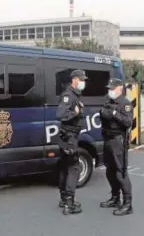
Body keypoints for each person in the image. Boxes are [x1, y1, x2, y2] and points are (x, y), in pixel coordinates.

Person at [99, 78, 134, 216]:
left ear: (120, 89)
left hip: (118, 140)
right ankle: (115, 197)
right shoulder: (108, 102)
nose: (110, 91)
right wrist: (106, 113)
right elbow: (102, 115)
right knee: (110, 170)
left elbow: (127, 122)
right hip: (107, 139)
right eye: (109, 89)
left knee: (121, 172)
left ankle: (127, 204)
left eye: (112, 89)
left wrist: (114, 114)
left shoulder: (125, 104)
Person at [55, 69, 87, 215]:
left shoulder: (75, 95)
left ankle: (63, 199)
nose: (83, 82)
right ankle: (69, 203)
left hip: (67, 137)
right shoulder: (69, 95)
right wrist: (76, 112)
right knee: (73, 168)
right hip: (69, 138)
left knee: (65, 166)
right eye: (82, 80)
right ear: (74, 80)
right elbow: (60, 114)